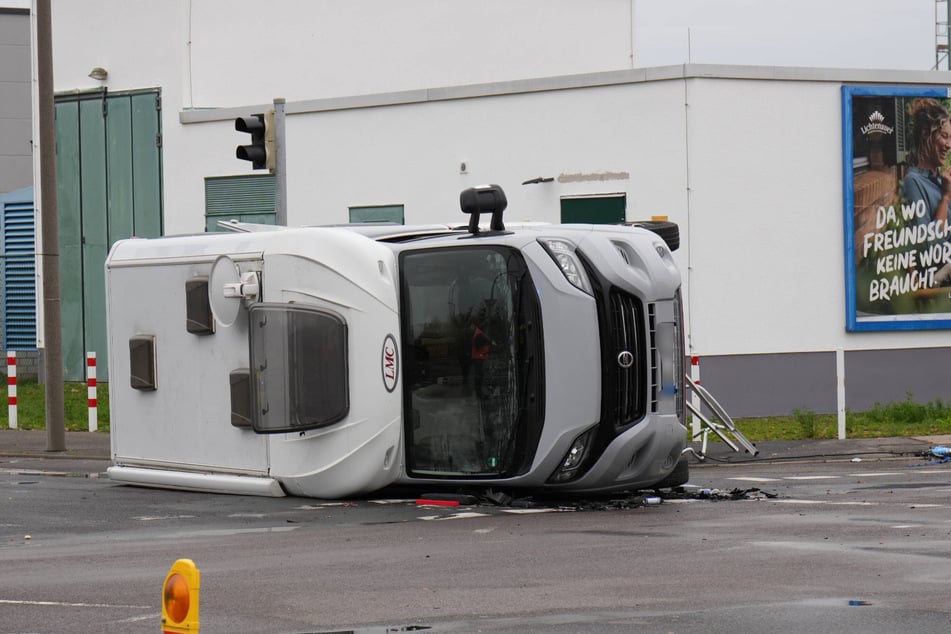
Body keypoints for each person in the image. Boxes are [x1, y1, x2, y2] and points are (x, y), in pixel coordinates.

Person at [902, 98, 951, 228]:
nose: (949, 145)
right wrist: (946, 197)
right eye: (944, 136)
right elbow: (927, 239)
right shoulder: (913, 182)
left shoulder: (940, 180)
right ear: (925, 134)